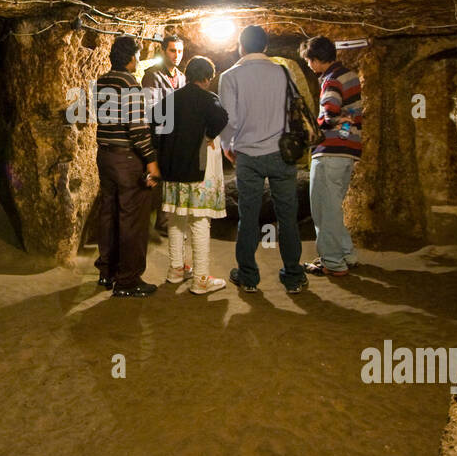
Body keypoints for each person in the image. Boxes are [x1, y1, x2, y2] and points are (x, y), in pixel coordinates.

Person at [217, 25, 307, 294]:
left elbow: (228, 120)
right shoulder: (283, 72)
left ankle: (248, 276)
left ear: (240, 46)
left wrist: (227, 146)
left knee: (248, 216)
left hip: (248, 155)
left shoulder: (230, 76)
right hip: (282, 153)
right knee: (288, 217)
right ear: (266, 47)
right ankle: (293, 276)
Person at [155, 56, 229, 295]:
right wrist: (208, 136)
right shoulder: (209, 99)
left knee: (176, 219)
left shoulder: (171, 99)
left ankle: (176, 269)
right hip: (198, 171)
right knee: (200, 221)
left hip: (173, 170)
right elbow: (221, 118)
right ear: (207, 78)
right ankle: (201, 278)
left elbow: (154, 123)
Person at [94, 36, 161, 298]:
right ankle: (128, 280)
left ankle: (106, 272)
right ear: (132, 57)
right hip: (126, 159)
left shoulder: (102, 81)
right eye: (138, 54)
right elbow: (138, 128)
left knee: (108, 214)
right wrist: (151, 161)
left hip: (105, 156)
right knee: (132, 218)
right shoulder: (130, 84)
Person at [300, 36, 363, 277]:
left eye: (309, 61)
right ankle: (346, 254)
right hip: (348, 151)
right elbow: (355, 112)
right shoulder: (350, 75)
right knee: (333, 207)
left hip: (330, 151)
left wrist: (314, 125)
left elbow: (329, 114)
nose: (309, 66)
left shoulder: (331, 80)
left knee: (323, 208)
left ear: (316, 60)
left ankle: (332, 262)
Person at [142, 35, 185, 237]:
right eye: (172, 50)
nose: (177, 55)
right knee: (156, 179)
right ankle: (150, 222)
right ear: (162, 50)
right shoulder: (151, 76)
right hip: (158, 136)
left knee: (172, 179)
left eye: (179, 51)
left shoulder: (182, 77)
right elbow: (150, 108)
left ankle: (165, 219)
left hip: (175, 137)